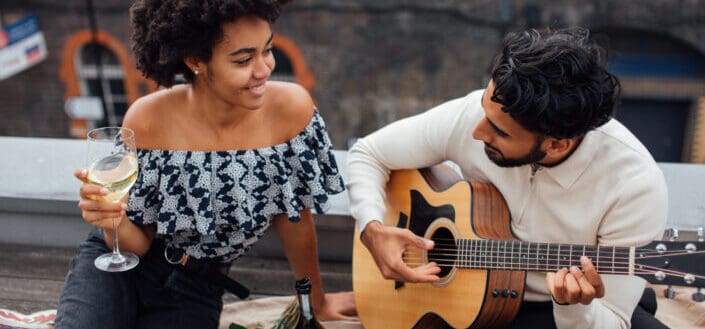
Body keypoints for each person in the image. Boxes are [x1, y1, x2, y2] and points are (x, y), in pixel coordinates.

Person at [55, 1, 356, 328]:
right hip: (117, 270)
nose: (263, 69)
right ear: (196, 60)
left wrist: (315, 301)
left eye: (266, 50)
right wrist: (109, 220)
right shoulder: (147, 119)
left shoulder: (291, 110)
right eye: (244, 59)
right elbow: (137, 242)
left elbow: (295, 218)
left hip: (196, 288)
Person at [346, 27, 668, 329]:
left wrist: (573, 306)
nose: (476, 131)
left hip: (553, 312)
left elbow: (613, 320)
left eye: (498, 132)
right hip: (463, 301)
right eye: (484, 112)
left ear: (557, 144)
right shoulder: (484, 111)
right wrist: (372, 228)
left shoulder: (634, 185)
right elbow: (368, 153)